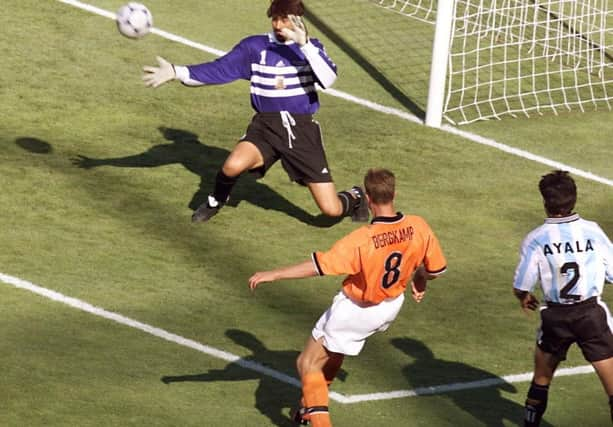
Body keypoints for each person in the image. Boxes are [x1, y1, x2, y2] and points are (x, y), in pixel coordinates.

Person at [249, 168, 447, 426]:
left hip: (356, 308)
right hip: (390, 307)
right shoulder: (418, 226)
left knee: (307, 363)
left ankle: (316, 418)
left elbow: (318, 266)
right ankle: (305, 409)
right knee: (333, 352)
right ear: (394, 194)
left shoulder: (362, 240)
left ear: (367, 198)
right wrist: (420, 276)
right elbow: (435, 270)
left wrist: (274, 274)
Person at [142, 0, 368, 224]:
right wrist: (176, 71)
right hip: (265, 127)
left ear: (298, 20)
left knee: (331, 210)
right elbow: (219, 69)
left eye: (285, 19)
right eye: (275, 19)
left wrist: (305, 44)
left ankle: (357, 195)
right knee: (232, 166)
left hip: (300, 131)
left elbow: (329, 79)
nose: (278, 25)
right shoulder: (254, 47)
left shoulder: (312, 48)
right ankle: (215, 201)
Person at [513, 170, 613, 426]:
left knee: (541, 381)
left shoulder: (535, 239)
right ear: (574, 199)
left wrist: (524, 297)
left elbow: (522, 284)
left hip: (555, 317)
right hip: (591, 315)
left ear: (545, 202)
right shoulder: (592, 231)